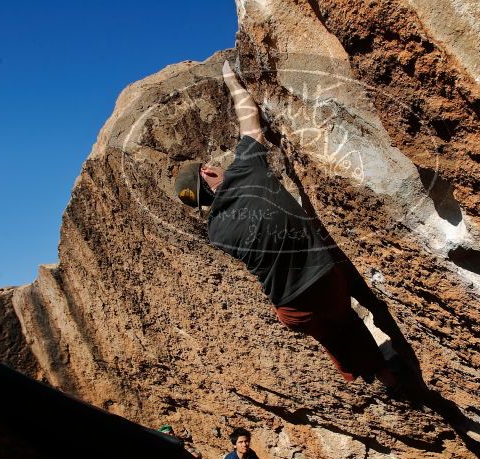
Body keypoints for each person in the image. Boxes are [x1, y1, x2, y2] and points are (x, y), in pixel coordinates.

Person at [174, 59, 409, 394]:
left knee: (329, 335)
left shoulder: (215, 231)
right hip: (320, 282)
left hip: (290, 309)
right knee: (347, 321)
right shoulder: (245, 173)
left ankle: (354, 375)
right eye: (210, 167)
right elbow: (250, 123)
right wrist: (231, 80)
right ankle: (387, 376)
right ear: (208, 174)